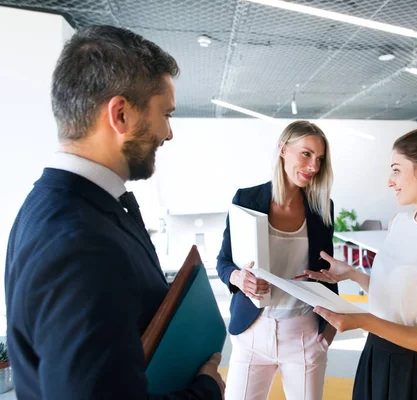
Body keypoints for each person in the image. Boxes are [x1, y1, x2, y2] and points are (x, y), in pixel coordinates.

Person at [5, 25, 224, 399]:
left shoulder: (56, 206)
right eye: (164, 114)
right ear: (120, 114)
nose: (168, 133)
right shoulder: (79, 244)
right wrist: (206, 390)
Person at [306, 128, 417, 400]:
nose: (390, 181)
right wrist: (354, 275)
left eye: (396, 170)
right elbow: (400, 300)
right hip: (377, 359)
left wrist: (363, 321)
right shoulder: (398, 223)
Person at [216, 121, 338, 400]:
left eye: (319, 159)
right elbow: (224, 261)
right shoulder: (246, 199)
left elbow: (326, 272)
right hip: (252, 333)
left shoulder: (322, 209)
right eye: (306, 154)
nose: (314, 166)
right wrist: (237, 278)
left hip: (304, 334)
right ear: (283, 149)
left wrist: (328, 331)